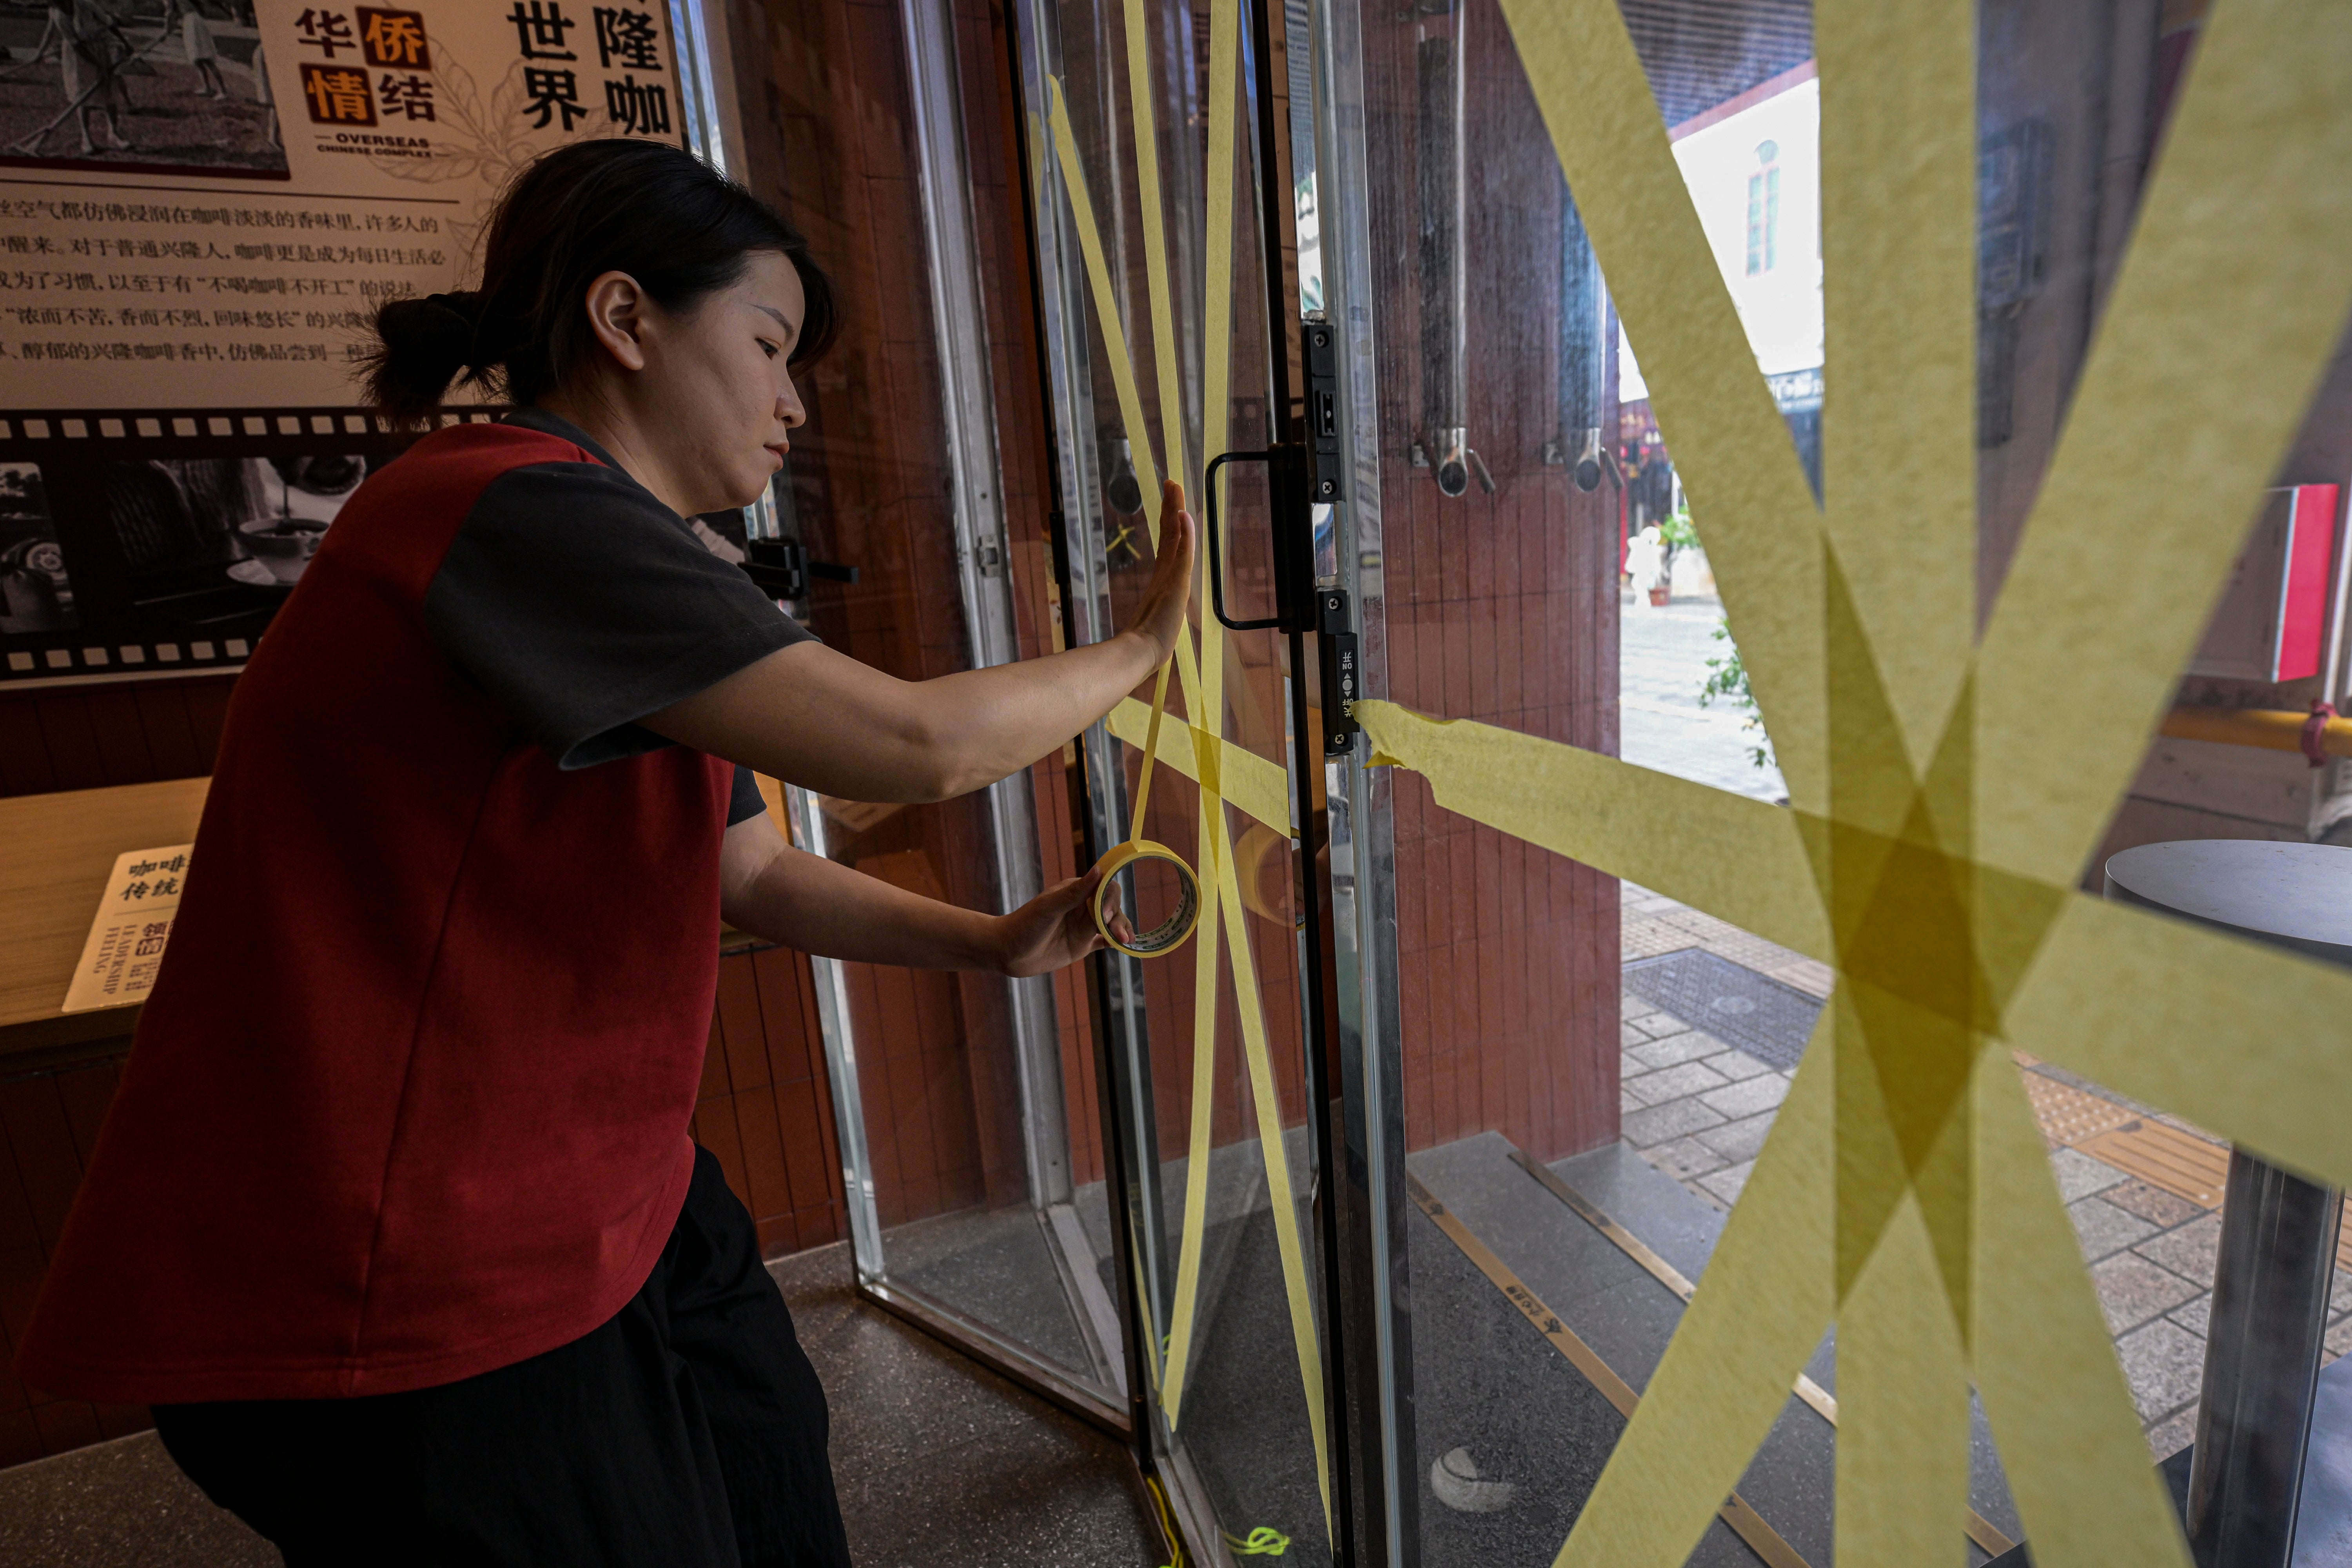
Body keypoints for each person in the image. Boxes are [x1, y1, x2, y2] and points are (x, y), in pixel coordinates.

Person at [15, 138, 1194, 1567]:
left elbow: (743, 872)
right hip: (414, 1262)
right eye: (767, 345)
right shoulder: (507, 504)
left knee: (772, 1477)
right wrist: (1139, 649)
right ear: (624, 319)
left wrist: (993, 940)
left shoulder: (638, 559)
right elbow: (917, 745)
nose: (793, 402)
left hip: (607, 1178)